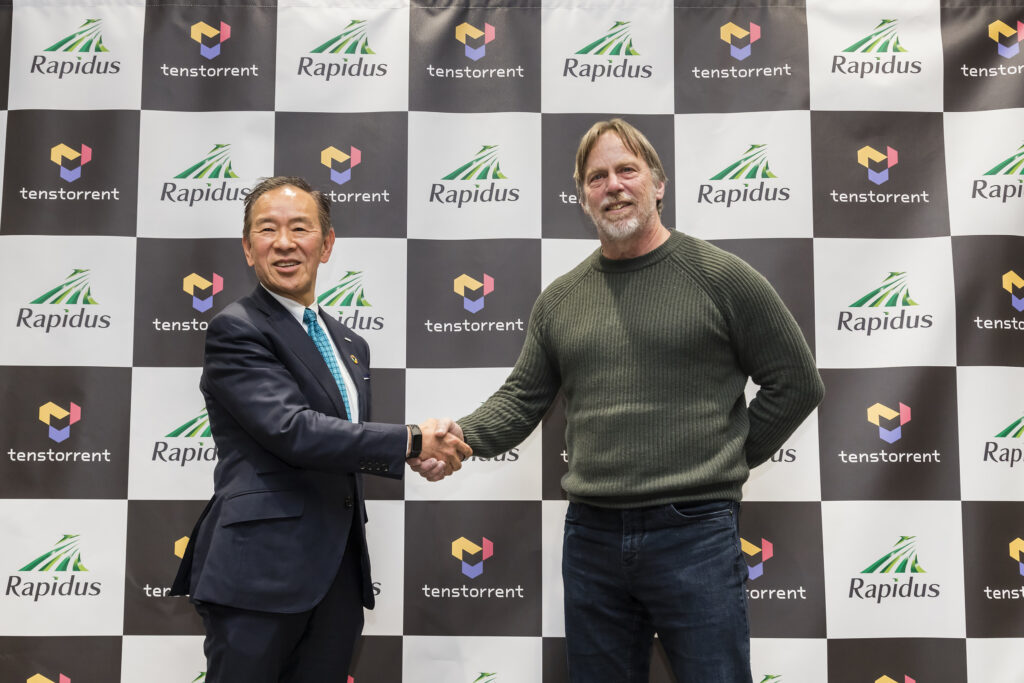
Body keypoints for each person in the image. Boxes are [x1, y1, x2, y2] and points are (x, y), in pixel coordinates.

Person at [431, 119, 824, 682]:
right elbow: (521, 398)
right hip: (591, 536)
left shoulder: (722, 278)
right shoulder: (560, 300)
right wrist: (457, 438)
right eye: (597, 177)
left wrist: (723, 456)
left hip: (695, 532)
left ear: (657, 185)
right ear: (582, 197)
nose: (612, 185)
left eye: (626, 170)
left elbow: (797, 382)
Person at [170, 176, 465, 682]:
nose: (284, 243)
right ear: (247, 248)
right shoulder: (237, 327)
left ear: (326, 245)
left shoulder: (350, 344)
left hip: (337, 577)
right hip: (257, 576)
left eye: (300, 228)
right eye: (267, 230)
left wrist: (415, 455)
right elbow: (294, 430)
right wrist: (411, 439)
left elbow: (342, 442)